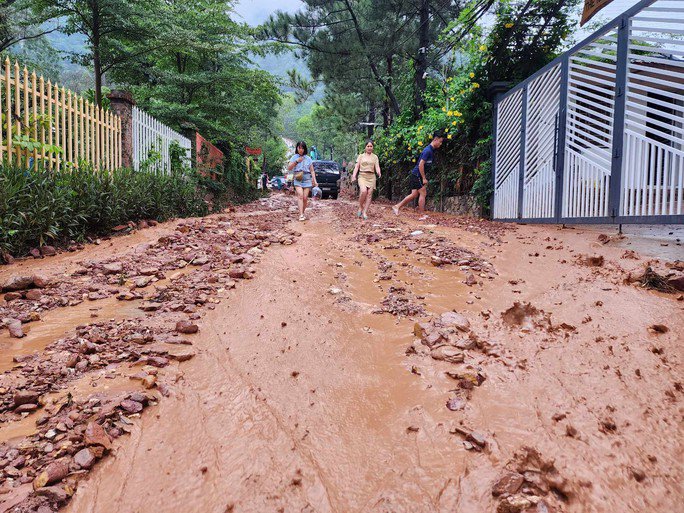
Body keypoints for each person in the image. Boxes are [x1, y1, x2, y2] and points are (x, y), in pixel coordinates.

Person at [392, 130, 445, 215]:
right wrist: (423, 178)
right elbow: (421, 164)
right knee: (423, 192)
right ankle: (421, 214)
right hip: (417, 175)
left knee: (414, 195)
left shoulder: (432, 150)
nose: (440, 143)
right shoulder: (428, 150)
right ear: (435, 139)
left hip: (416, 174)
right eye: (440, 141)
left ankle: (397, 206)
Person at [287, 141, 318, 221]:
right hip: (298, 178)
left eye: (302, 148)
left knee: (305, 198)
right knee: (300, 195)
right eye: (299, 148)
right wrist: (297, 161)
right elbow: (289, 168)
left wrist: (314, 180)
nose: (301, 150)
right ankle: (301, 215)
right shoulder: (294, 157)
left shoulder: (308, 158)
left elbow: (312, 171)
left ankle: (302, 213)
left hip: (307, 178)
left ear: (305, 149)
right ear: (297, 148)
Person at [352, 140, 381, 220]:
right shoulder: (361, 156)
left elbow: (377, 166)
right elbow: (357, 167)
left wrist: (378, 172)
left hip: (371, 176)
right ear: (365, 147)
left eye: (371, 146)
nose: (369, 148)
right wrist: (354, 175)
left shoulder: (375, 157)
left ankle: (365, 212)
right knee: (364, 191)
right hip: (362, 175)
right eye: (368, 146)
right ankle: (360, 207)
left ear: (373, 147)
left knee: (369, 194)